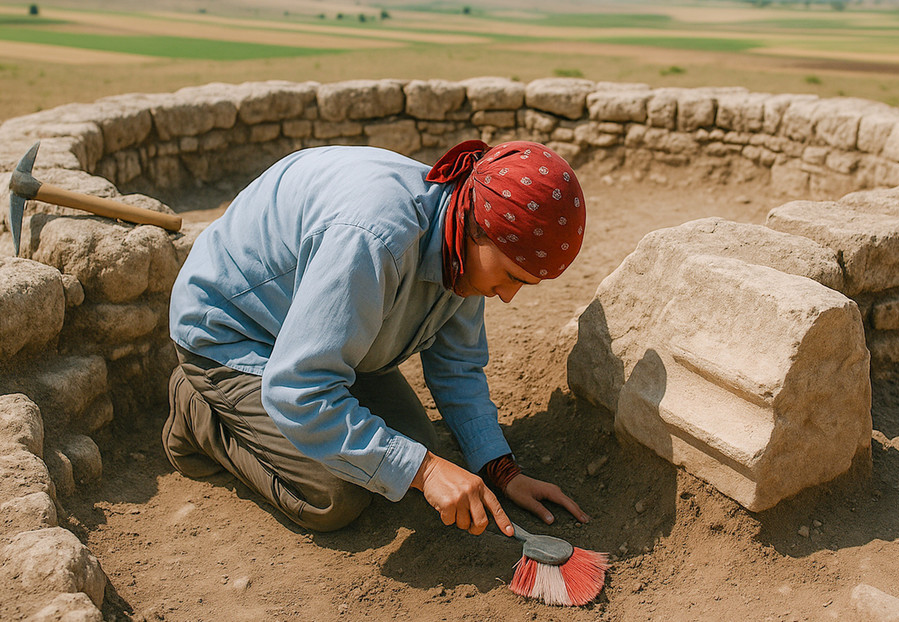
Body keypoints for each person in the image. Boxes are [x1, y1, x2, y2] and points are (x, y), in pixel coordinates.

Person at [163, 139, 589, 536]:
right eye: (511, 275)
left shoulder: (463, 239)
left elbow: (457, 365)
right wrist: (426, 471)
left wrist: (501, 470)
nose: (508, 296)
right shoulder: (375, 237)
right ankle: (198, 407)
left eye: (525, 284)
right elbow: (297, 388)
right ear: (478, 227)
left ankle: (322, 388)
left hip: (320, 334)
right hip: (235, 333)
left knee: (413, 450)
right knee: (336, 494)